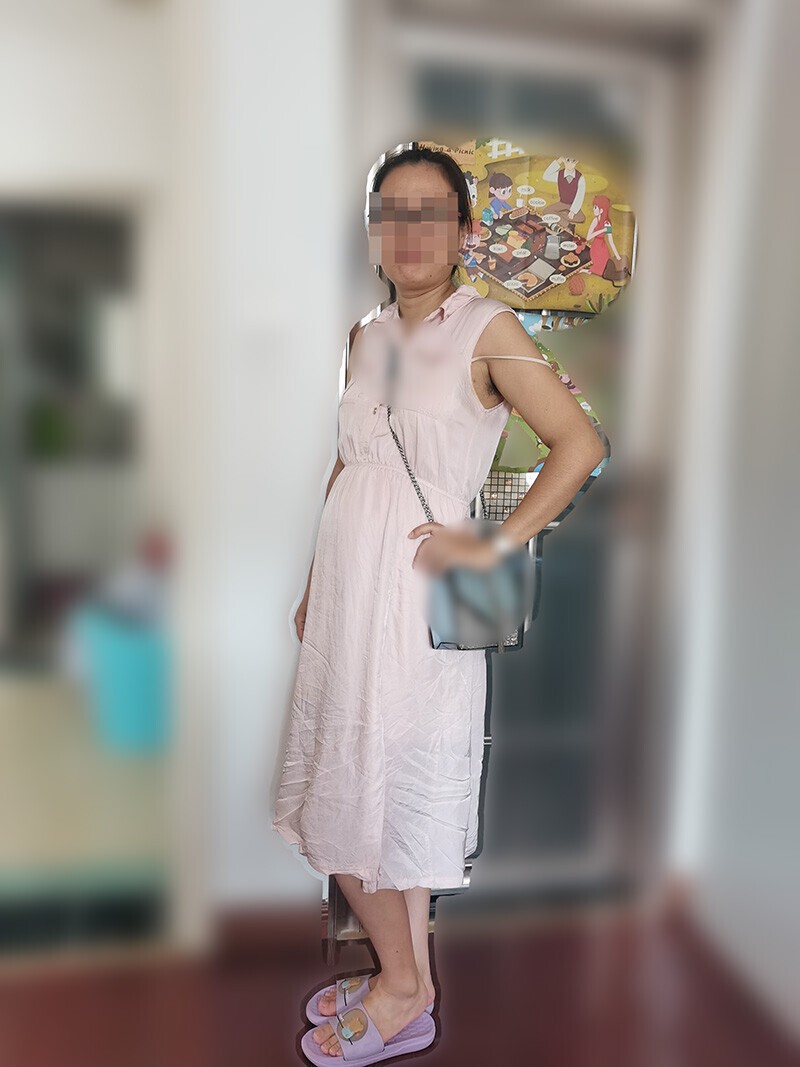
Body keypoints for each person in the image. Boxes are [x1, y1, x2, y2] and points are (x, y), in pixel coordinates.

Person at [272, 145, 606, 1061]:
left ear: (461, 231)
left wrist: (496, 541)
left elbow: (579, 442)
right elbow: (352, 461)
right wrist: (315, 584)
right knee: (349, 781)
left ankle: (404, 987)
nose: (410, 231)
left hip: (417, 606)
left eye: (430, 212)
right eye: (393, 212)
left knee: (389, 792)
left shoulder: (488, 330)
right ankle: (404, 977)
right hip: (348, 599)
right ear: (375, 232)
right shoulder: (365, 336)